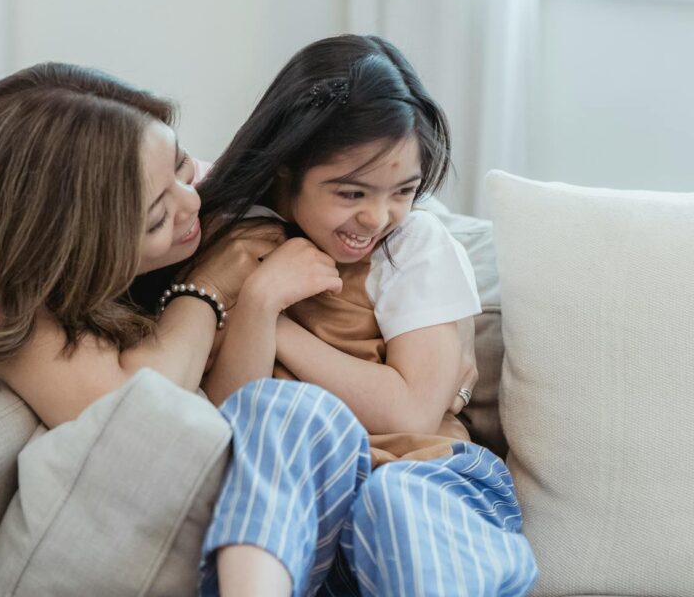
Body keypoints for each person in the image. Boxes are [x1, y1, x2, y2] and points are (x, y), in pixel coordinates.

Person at [0, 63, 459, 596]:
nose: (192, 204)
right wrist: (208, 289)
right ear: (73, 245)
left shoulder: (110, 161)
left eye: (180, 166)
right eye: (158, 215)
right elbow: (135, 407)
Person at [190, 34, 538, 596]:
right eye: (351, 194)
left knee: (393, 496)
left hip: (429, 477)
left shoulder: (412, 244)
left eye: (403, 190)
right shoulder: (237, 244)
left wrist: (280, 328)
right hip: (311, 517)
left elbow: (413, 412)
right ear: (286, 170)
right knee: (281, 411)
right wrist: (257, 302)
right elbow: (231, 420)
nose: (377, 217)